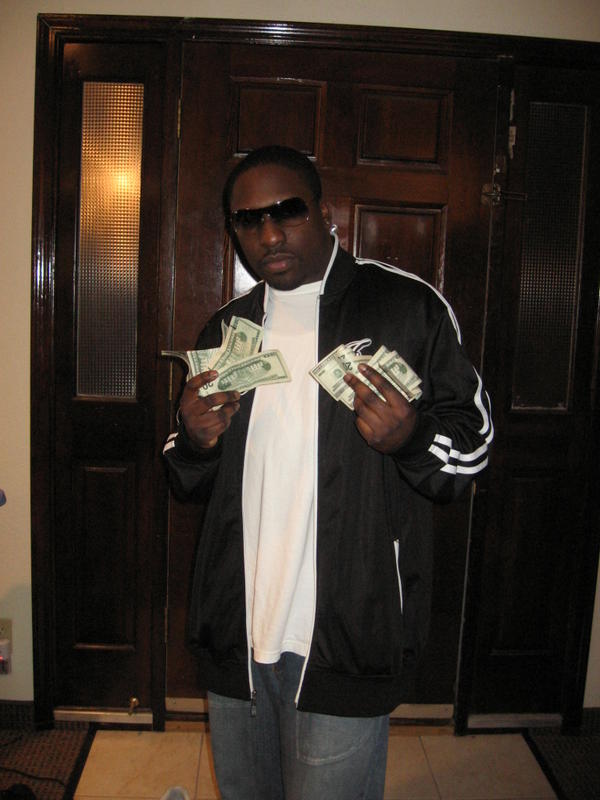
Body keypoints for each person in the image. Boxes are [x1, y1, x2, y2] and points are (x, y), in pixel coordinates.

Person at [163, 145, 493, 800]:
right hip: (237, 637)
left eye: (287, 211)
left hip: (348, 636)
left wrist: (411, 438)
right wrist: (195, 441)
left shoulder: (406, 308)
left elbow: (473, 450)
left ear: (326, 213)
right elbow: (182, 474)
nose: (269, 235)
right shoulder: (229, 327)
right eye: (248, 220)